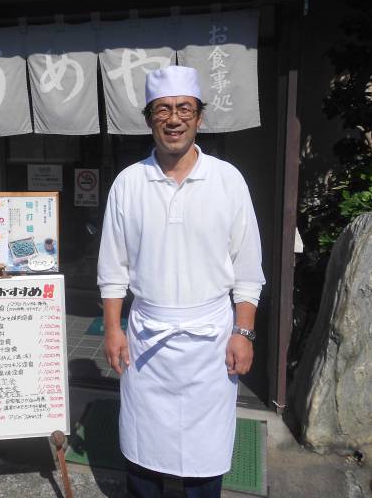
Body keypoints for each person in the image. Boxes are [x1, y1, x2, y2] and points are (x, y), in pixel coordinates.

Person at [97, 65, 265, 498]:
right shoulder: (128, 183)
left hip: (210, 338)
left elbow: (248, 269)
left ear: (199, 118)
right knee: (142, 450)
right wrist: (113, 329)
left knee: (205, 456)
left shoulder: (228, 181)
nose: (174, 119)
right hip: (147, 339)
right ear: (149, 118)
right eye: (163, 110)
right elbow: (112, 269)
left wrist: (242, 332)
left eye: (184, 109)